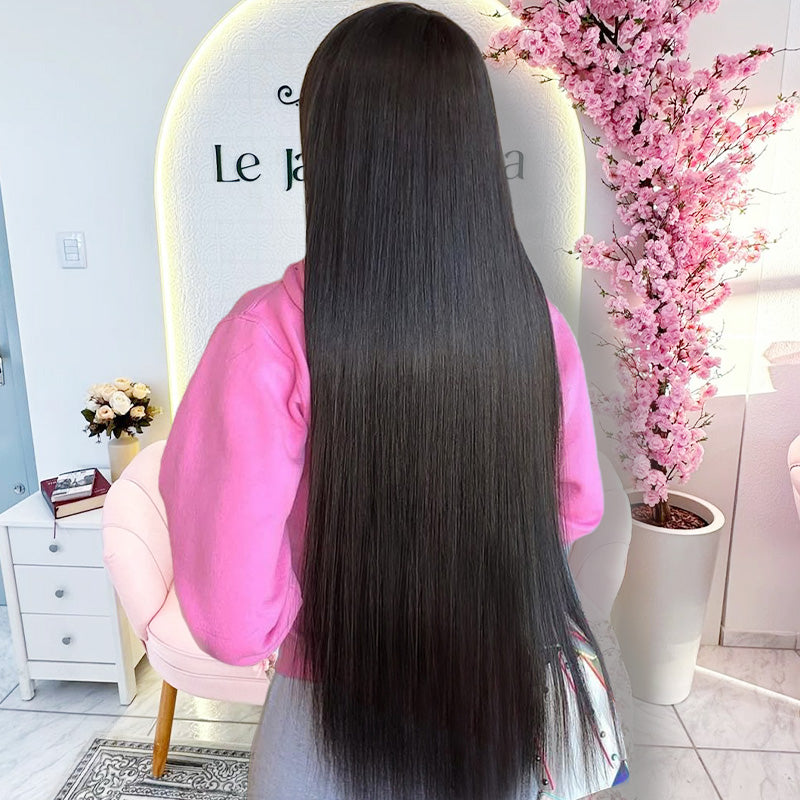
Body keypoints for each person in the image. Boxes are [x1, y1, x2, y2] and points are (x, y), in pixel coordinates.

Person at [157, 3, 629, 799]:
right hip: (494, 712)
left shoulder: (267, 337)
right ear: (472, 146)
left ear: (327, 149)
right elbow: (575, 508)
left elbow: (233, 621)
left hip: (326, 721)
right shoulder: (534, 323)